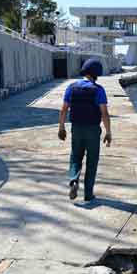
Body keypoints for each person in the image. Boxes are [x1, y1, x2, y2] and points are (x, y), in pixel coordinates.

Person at [58, 58, 112, 201]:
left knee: (75, 157)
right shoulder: (99, 90)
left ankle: (74, 180)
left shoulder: (71, 87)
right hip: (93, 130)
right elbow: (104, 113)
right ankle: (88, 194)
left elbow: (63, 110)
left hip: (76, 128)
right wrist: (108, 132)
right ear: (96, 74)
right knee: (92, 161)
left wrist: (61, 127)